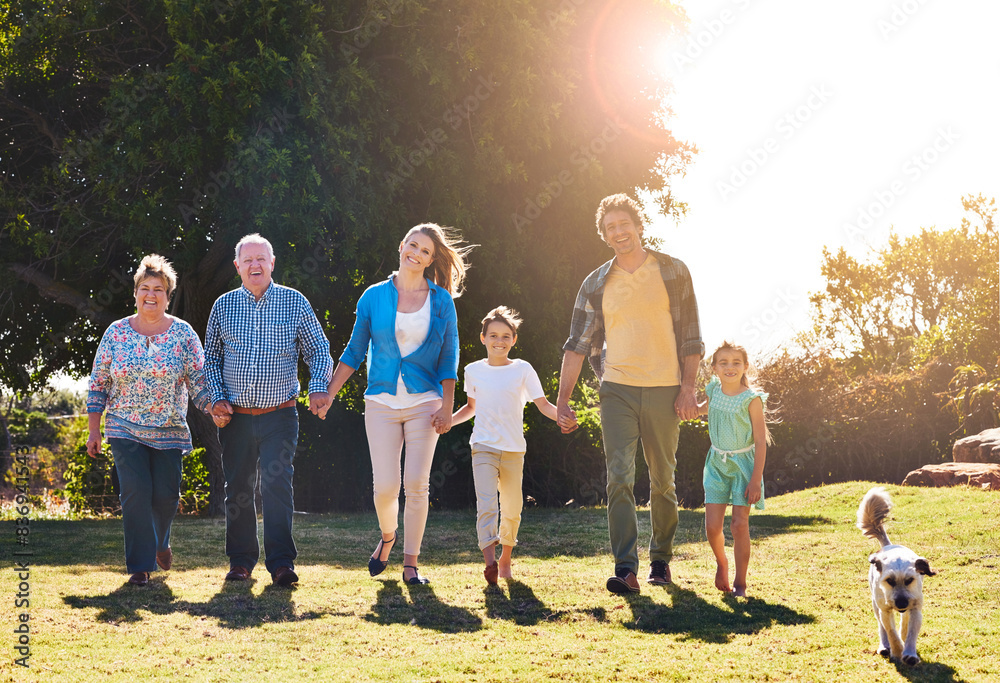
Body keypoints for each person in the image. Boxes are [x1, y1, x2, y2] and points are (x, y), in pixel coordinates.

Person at [557, 193, 704, 594]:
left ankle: (660, 561)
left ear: (639, 226)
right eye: (610, 228)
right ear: (604, 236)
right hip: (617, 389)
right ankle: (626, 569)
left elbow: (691, 337)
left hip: (664, 387)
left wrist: (688, 388)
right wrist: (563, 400)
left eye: (624, 225)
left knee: (663, 481)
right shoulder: (596, 282)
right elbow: (577, 344)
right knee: (618, 478)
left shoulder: (673, 271)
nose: (619, 232)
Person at [320, 223, 471, 585]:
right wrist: (330, 392)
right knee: (385, 486)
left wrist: (447, 406)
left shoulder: (441, 301)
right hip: (382, 403)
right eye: (413, 245)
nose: (416, 254)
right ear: (401, 244)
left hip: (426, 402)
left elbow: (450, 355)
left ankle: (410, 565)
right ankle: (388, 537)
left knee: (417, 485)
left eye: (425, 252)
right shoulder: (372, 296)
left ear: (432, 260)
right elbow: (356, 350)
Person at [205, 233, 333, 586]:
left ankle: (281, 564)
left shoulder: (294, 303)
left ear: (272, 263)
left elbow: (319, 351)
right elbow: (211, 358)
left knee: (277, 484)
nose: (255, 265)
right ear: (237, 267)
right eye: (247, 260)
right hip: (236, 418)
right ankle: (241, 562)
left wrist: (319, 386)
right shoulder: (223, 306)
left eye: (261, 258)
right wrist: (216, 397)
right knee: (238, 488)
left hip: (281, 413)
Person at [87, 254, 212, 586]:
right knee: (135, 492)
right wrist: (93, 429)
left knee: (166, 496)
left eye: (159, 289)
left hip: (169, 429)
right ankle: (140, 568)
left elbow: (199, 382)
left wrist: (215, 408)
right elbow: (99, 383)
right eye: (145, 288)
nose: (151, 294)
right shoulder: (115, 334)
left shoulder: (184, 334)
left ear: (168, 296)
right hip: (123, 426)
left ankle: (161, 541)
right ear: (136, 293)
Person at [451, 306, 559, 585]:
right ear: (483, 338)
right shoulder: (472, 370)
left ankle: (505, 560)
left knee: (512, 507)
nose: (500, 340)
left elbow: (543, 405)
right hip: (483, 447)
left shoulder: (523, 369)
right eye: (494, 335)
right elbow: (471, 407)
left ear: (514, 340)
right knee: (487, 504)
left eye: (506, 336)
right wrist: (447, 422)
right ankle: (489, 563)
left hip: (513, 450)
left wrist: (565, 417)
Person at [698, 341, 770, 597]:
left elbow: (761, 442)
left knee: (739, 525)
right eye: (724, 363)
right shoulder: (713, 390)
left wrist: (755, 479)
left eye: (736, 362)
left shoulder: (752, 400)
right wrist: (687, 408)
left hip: (744, 467)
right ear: (714, 368)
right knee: (712, 527)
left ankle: (740, 583)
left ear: (745, 367)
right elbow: (707, 408)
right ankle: (722, 563)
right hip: (716, 464)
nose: (730, 367)